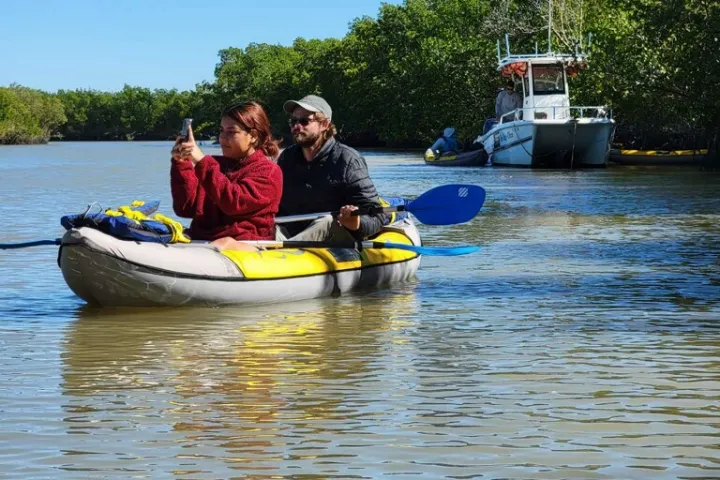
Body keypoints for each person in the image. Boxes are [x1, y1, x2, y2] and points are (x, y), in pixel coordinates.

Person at [170, 100, 283, 250]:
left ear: (253, 136)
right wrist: (182, 163)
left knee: (225, 243)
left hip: (248, 245)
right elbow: (186, 208)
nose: (223, 137)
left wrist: (201, 162)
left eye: (231, 132)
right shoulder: (214, 165)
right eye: (222, 130)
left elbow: (233, 203)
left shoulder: (269, 172)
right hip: (202, 241)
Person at [276, 94, 388, 242]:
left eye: (304, 121)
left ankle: (284, 253)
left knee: (326, 222)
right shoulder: (286, 158)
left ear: (324, 125)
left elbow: (377, 216)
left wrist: (356, 223)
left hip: (334, 239)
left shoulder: (348, 160)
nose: (297, 126)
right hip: (292, 235)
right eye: (293, 121)